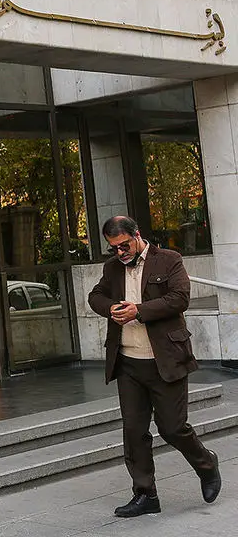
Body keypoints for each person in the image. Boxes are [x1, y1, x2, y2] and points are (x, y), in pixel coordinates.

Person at [87, 215, 221, 517]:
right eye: (113, 248)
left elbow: (179, 298)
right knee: (134, 432)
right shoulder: (112, 268)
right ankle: (146, 494)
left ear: (137, 235)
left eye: (124, 245)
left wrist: (138, 311)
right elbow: (95, 296)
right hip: (128, 363)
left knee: (173, 428)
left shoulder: (169, 259)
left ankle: (206, 464)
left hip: (166, 359)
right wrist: (111, 308)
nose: (119, 252)